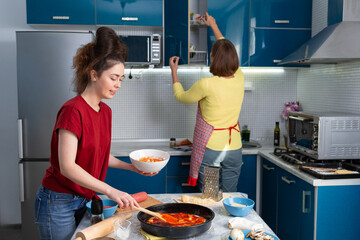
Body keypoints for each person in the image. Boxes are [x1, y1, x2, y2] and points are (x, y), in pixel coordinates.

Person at [34, 26, 157, 240]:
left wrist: (133, 167)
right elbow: (68, 166)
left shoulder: (105, 111)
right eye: (113, 78)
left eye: (121, 79)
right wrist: (110, 190)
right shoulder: (73, 110)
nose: (118, 85)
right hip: (58, 201)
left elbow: (100, 156)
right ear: (93, 75)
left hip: (85, 198)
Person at [169, 13, 244, 192]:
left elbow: (181, 97)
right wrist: (214, 25)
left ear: (214, 58)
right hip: (234, 147)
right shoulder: (239, 77)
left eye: (212, 54)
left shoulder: (206, 84)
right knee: (230, 195)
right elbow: (225, 46)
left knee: (209, 196)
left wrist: (174, 72)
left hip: (212, 149)